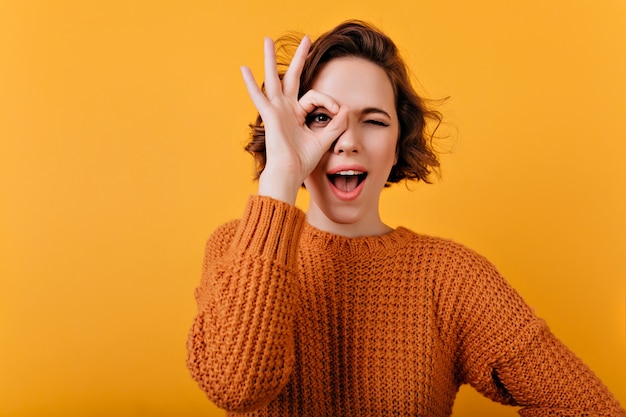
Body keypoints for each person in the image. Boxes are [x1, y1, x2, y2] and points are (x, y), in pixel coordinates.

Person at [186, 20, 625, 416]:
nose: (347, 141)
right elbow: (236, 387)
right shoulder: (234, 249)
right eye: (321, 118)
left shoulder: (450, 277)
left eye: (373, 121)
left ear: (398, 145)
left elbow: (590, 409)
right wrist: (280, 175)